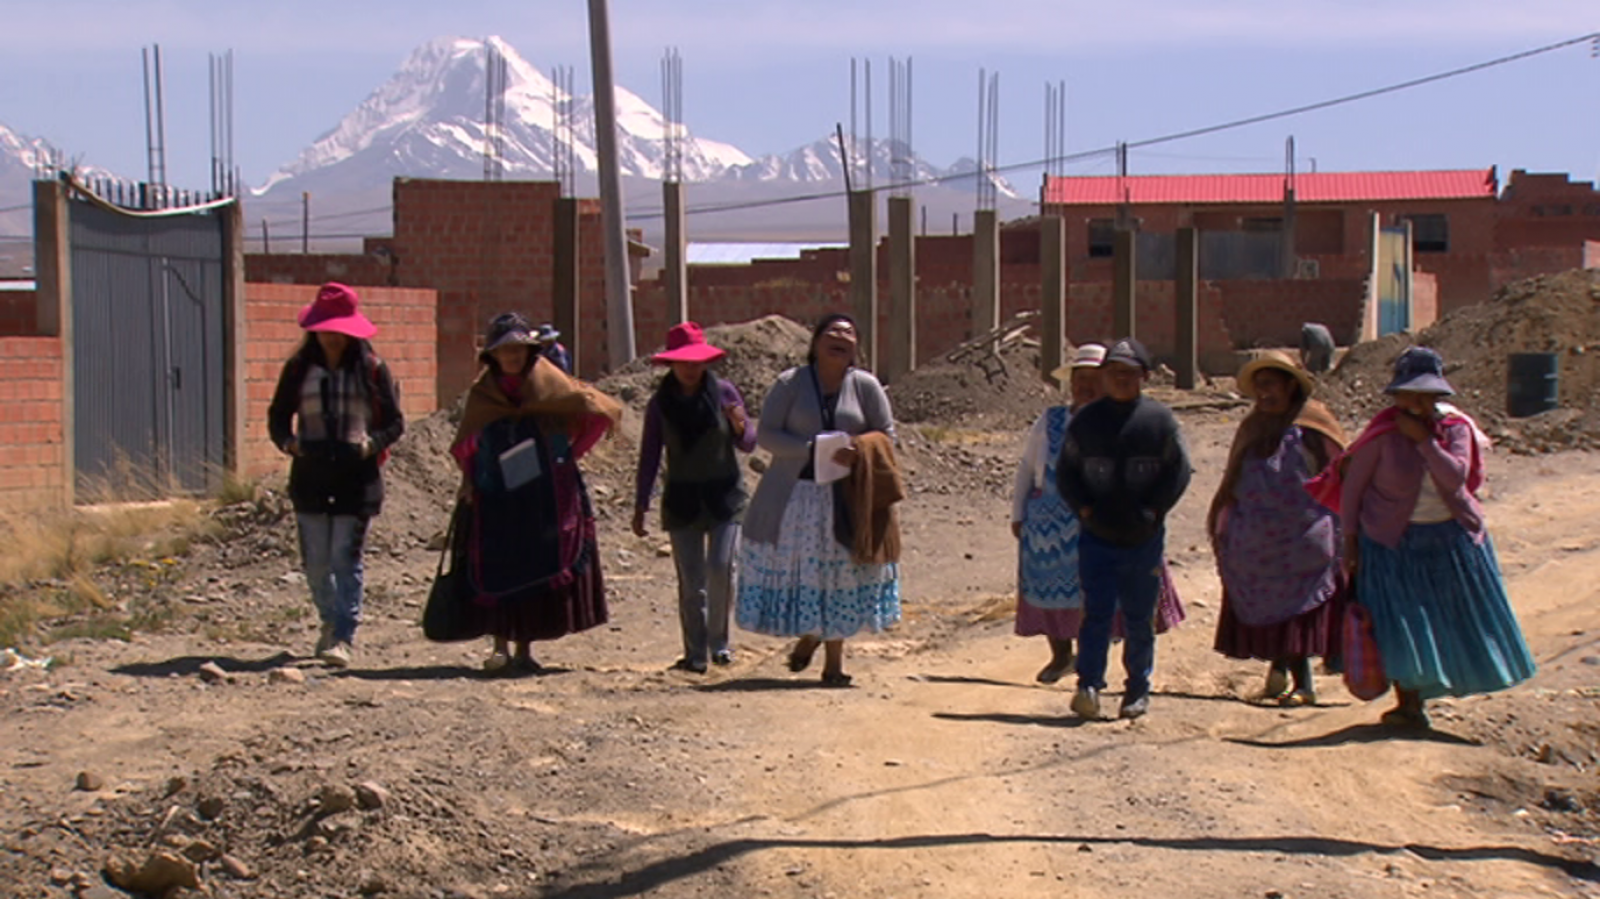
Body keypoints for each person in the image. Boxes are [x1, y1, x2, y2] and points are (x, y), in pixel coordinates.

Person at [1339, 346, 1534, 727]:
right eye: (1408, 395)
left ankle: (1439, 687)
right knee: (1401, 622)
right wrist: (1349, 543)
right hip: (1392, 544)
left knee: (1450, 621)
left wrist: (1424, 442)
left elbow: (1455, 478)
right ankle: (1410, 704)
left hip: (1450, 541)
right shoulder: (1380, 435)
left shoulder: (1456, 430)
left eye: (1425, 396)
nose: (1416, 403)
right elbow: (1353, 492)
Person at [451, 312, 620, 673]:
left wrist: (569, 454)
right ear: (492, 356)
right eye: (504, 350)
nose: (512, 357)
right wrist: (470, 480)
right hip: (497, 494)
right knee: (497, 561)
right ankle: (499, 645)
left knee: (536, 561)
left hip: (545, 495)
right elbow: (468, 442)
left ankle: (525, 647)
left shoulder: (550, 384)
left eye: (518, 350)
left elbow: (597, 411)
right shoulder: (484, 396)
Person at [737, 314, 900, 687]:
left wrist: (858, 450)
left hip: (849, 497)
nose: (840, 337)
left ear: (856, 347)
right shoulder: (790, 384)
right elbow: (767, 434)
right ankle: (812, 633)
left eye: (849, 333)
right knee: (815, 573)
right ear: (815, 342)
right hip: (797, 497)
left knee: (842, 571)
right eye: (832, 331)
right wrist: (810, 450)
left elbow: (887, 434)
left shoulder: (866, 386)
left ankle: (833, 664)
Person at [1011, 343, 1186, 684]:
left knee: (1117, 599)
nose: (1085, 386)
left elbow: (1172, 470)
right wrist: (1019, 513)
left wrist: (1149, 511)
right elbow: (1028, 468)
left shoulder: (1132, 420)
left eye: (1093, 378)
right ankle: (1062, 656)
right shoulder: (1051, 421)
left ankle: (1124, 676)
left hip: (1115, 524)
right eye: (1079, 378)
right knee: (1051, 589)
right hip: (1052, 526)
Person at [267, 282, 405, 669]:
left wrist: (369, 445)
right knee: (315, 560)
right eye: (325, 328)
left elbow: (395, 423)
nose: (331, 336)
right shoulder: (298, 369)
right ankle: (328, 620)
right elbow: (278, 416)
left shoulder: (373, 370)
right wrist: (290, 444)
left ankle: (344, 634)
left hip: (356, 477)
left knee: (345, 558)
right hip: (310, 474)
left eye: (338, 329)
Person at [1057, 337, 1191, 720]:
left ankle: (1137, 689)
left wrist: (1153, 510)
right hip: (1096, 535)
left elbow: (1178, 472)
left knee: (1138, 616)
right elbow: (1067, 471)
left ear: (1144, 377)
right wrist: (1083, 508)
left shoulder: (1159, 421)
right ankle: (1088, 685)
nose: (1120, 380)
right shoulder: (1086, 422)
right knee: (1095, 612)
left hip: (1142, 538)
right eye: (1113, 373)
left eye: (1128, 374)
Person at [1208, 350, 1348, 707]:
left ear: (1290, 385)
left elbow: (1343, 473)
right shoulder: (1253, 427)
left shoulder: (1315, 426)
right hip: (1258, 537)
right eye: (1259, 388)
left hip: (1302, 536)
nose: (1264, 394)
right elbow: (1233, 478)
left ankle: (1303, 682)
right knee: (1268, 600)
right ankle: (1278, 667)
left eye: (1270, 385)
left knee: (1298, 606)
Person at [633, 322, 758, 674]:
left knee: (721, 567)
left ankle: (720, 643)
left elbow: (748, 443)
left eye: (696, 362)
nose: (690, 369)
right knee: (692, 581)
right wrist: (641, 505)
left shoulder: (724, 393)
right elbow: (650, 456)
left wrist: (739, 424)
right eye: (683, 362)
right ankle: (695, 653)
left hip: (725, 497)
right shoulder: (660, 405)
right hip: (682, 500)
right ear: (671, 364)